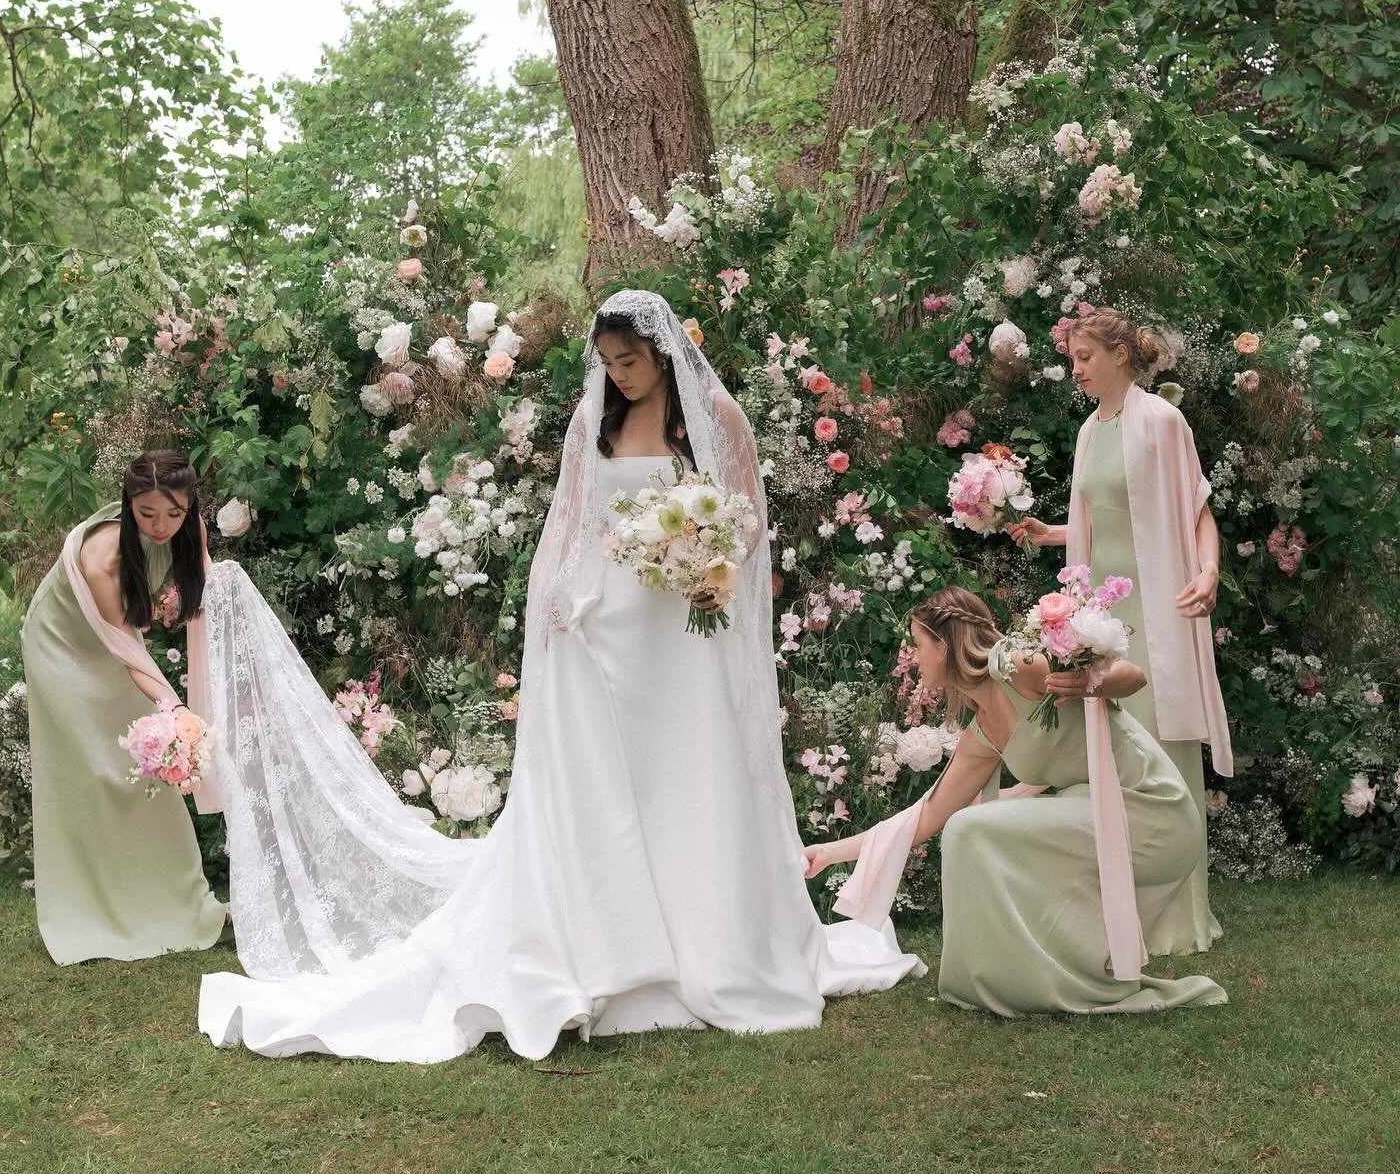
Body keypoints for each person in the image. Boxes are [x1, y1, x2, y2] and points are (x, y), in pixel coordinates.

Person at [197, 290, 917, 1062]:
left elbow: (746, 520)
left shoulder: (716, 418)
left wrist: (709, 563)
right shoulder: (591, 421)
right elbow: (572, 527)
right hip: (608, 631)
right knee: (609, 787)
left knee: (690, 777)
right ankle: (614, 945)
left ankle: (708, 943)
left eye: (630, 361)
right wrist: (560, 608)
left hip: (682, 632)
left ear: (664, 352)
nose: (619, 376)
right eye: (607, 363)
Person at [803, 590, 1227, 1016]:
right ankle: (1014, 978)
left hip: (1151, 811)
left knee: (972, 828)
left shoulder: (1017, 666)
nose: (913, 656)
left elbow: (1133, 676)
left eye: (917, 644)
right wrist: (829, 852)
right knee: (970, 825)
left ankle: (1036, 975)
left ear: (943, 645)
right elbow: (928, 814)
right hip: (1095, 815)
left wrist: (1085, 683)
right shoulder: (983, 731)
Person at [1006, 308, 1230, 953]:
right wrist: (1050, 533)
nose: (1075, 369)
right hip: (1104, 618)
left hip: (1158, 607)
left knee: (1161, 743)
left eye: (1085, 357)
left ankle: (1176, 917)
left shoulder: (1162, 419)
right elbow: (1097, 519)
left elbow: (1197, 511)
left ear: (1122, 356)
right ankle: (1115, 906)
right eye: (1073, 358)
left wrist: (1209, 570)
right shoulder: (1087, 432)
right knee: (1110, 747)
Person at [20, 450, 228, 964]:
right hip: (63, 648)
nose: (162, 527)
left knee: (146, 771)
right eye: (147, 514)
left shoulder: (189, 529)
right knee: (96, 771)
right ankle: (94, 905)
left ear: (189, 506)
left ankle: (170, 899)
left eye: (174, 514)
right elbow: (125, 647)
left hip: (118, 647)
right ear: (128, 504)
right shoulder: (104, 556)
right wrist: (174, 708)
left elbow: (202, 605)